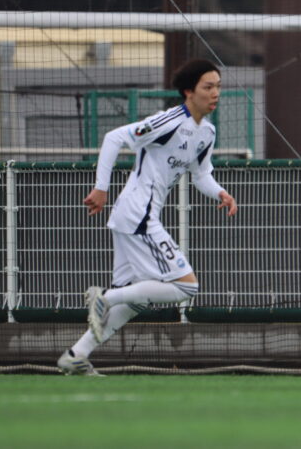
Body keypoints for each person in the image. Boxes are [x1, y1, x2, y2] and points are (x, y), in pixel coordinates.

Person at [58, 59, 238, 375]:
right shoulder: (168, 121)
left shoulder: (207, 132)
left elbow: (200, 175)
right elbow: (114, 138)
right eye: (208, 87)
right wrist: (101, 188)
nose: (215, 93)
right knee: (186, 287)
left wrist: (220, 192)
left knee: (135, 303)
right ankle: (105, 297)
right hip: (138, 216)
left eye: (218, 87)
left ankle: (76, 355)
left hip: (132, 218)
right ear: (189, 91)